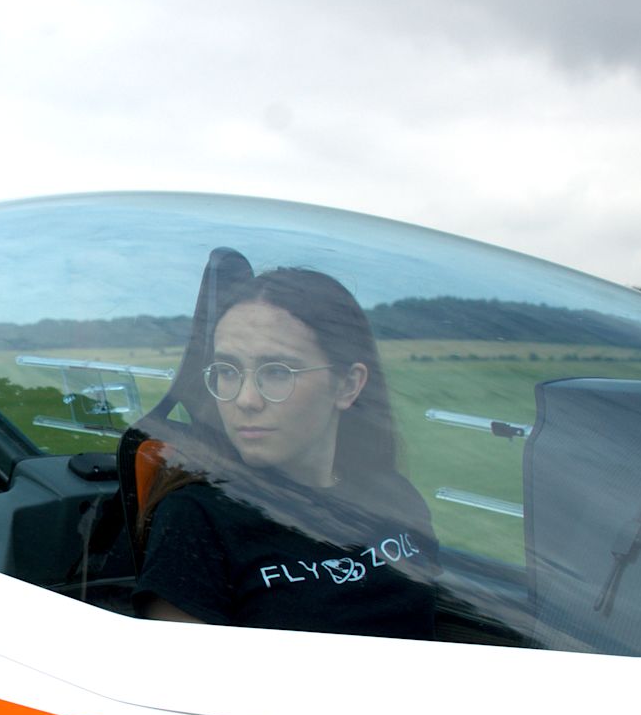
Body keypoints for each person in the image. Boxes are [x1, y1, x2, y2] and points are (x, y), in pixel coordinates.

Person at [134, 267, 439, 639]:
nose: (245, 400)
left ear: (347, 385)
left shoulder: (396, 498)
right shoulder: (197, 518)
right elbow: (187, 685)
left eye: (277, 372)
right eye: (228, 371)